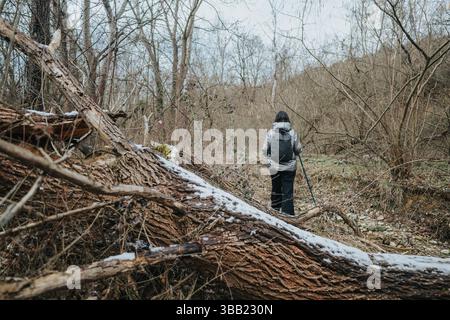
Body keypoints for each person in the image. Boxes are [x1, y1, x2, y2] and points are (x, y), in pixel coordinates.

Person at [263, 111, 302, 216]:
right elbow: (298, 149)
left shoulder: (270, 133)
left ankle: (274, 212)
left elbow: (264, 150)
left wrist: (268, 161)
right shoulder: (293, 132)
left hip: (274, 167)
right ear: (288, 120)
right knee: (288, 192)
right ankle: (288, 215)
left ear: (276, 120)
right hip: (290, 167)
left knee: (275, 188)